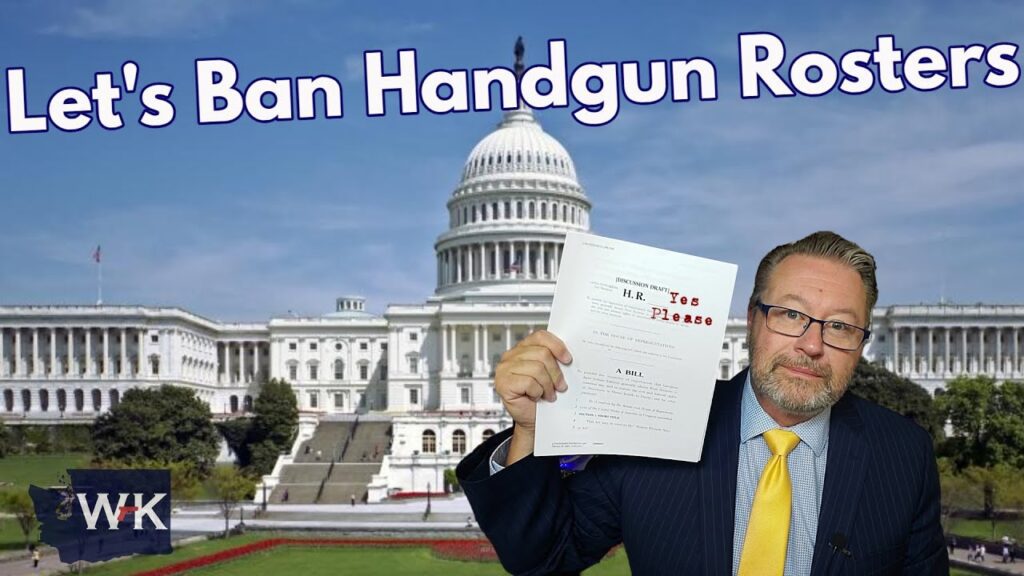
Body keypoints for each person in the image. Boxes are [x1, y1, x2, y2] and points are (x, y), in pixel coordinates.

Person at [457, 231, 948, 575]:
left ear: (861, 343)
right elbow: (540, 559)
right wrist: (529, 432)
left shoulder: (902, 454)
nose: (812, 344)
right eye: (790, 314)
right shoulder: (654, 427)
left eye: (839, 325)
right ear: (751, 320)